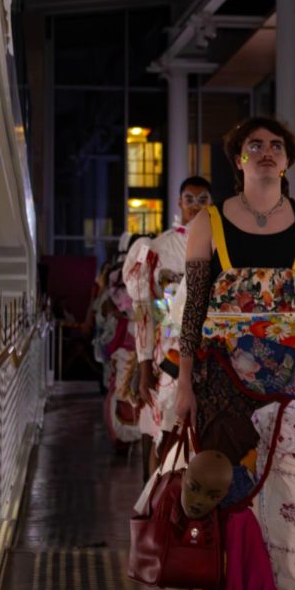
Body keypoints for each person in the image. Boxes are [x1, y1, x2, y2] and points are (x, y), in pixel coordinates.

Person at [175, 117, 295, 590]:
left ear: (287, 160)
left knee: (290, 490)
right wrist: (183, 385)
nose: (265, 152)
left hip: (293, 382)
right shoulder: (208, 221)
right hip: (221, 381)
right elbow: (193, 308)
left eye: (275, 146)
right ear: (238, 159)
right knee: (230, 490)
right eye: (253, 145)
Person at [123, 175, 211, 477]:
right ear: (179, 202)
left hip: (207, 351)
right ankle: (156, 505)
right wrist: (145, 364)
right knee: (162, 431)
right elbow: (143, 310)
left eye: (203, 200)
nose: (196, 206)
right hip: (166, 357)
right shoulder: (156, 249)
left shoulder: (220, 246)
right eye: (190, 199)